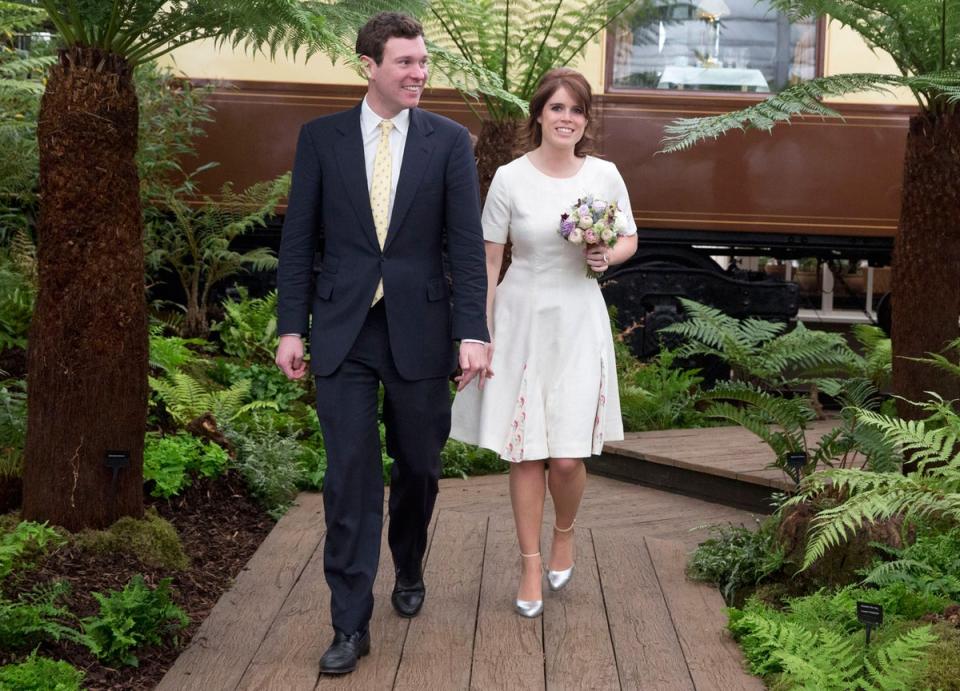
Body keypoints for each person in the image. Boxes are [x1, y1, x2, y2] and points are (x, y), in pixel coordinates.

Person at [275, 12, 490, 675]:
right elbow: (298, 239)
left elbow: (464, 246)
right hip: (344, 331)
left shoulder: (449, 142)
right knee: (350, 479)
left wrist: (473, 331)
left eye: (424, 63)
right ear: (368, 64)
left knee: (419, 466)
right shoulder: (321, 139)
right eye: (405, 63)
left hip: (422, 331)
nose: (419, 73)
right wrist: (290, 326)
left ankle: (411, 556)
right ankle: (349, 622)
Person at [450, 67, 638, 618]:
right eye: (557, 108)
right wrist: (478, 332)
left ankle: (565, 531)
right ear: (539, 114)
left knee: (564, 457)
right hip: (521, 317)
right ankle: (530, 561)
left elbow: (628, 236)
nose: (567, 119)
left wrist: (609, 255)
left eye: (576, 110)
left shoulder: (604, 175)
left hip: (578, 318)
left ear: (586, 121)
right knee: (525, 451)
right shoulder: (510, 177)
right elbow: (487, 260)